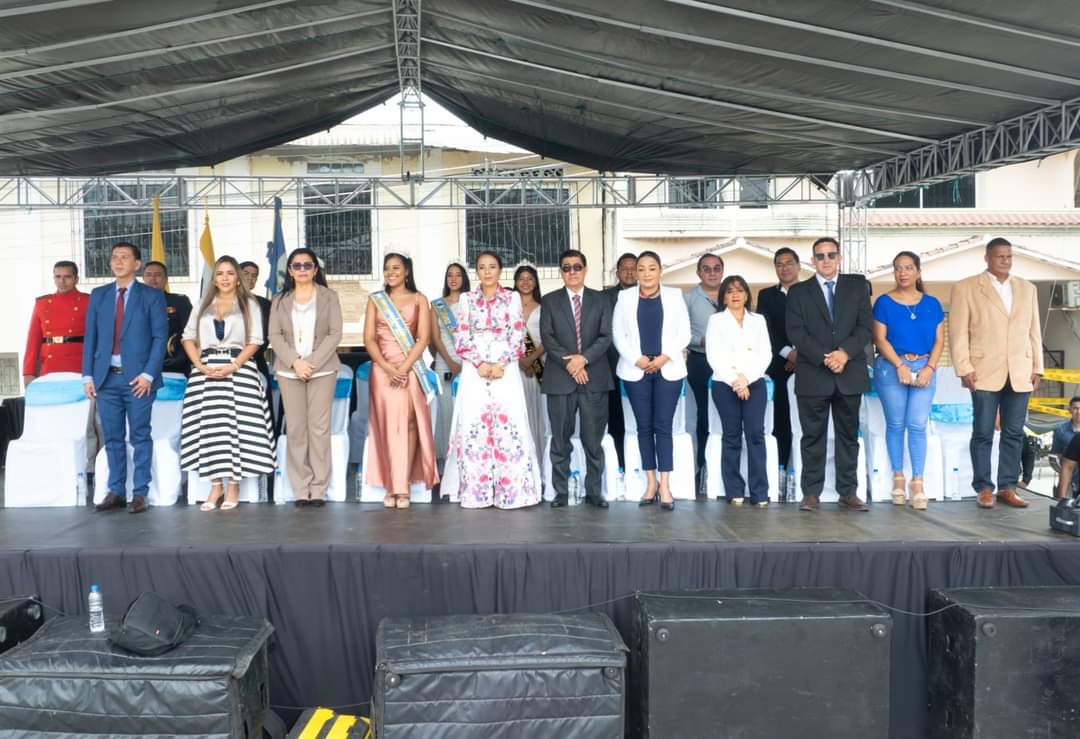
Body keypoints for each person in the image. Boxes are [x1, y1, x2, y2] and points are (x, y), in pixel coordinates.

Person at [950, 237, 1043, 509]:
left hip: (1020, 370)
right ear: (987, 258)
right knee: (983, 432)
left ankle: (1008, 487)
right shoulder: (966, 287)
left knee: (1014, 433)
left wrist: (1038, 367)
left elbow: (1034, 331)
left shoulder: (1027, 289)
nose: (1005, 260)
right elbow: (958, 332)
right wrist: (964, 367)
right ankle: (983, 488)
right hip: (983, 370)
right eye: (1000, 256)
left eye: (1009, 256)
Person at [179, 256, 276, 510]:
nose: (224, 278)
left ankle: (233, 484)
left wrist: (234, 365)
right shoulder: (202, 303)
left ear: (238, 278)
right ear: (214, 279)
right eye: (220, 273)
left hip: (239, 368)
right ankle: (216, 486)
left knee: (238, 428)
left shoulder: (250, 304)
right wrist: (198, 365)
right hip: (206, 369)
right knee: (208, 428)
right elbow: (188, 337)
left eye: (230, 273)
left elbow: (256, 340)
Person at [447, 250, 542, 509]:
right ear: (476, 271)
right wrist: (479, 363)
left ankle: (512, 492)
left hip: (505, 368)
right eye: (482, 267)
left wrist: (501, 363)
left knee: (508, 425)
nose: (487, 271)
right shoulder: (466, 299)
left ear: (500, 270)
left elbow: (518, 335)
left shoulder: (511, 298)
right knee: (474, 424)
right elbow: (461, 337)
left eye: (492, 267)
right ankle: (476, 492)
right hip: (474, 370)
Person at [786, 237, 873, 512]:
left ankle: (848, 492)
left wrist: (844, 353)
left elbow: (865, 327)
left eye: (831, 255)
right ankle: (811, 493)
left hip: (849, 373)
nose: (826, 260)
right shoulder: (798, 292)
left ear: (839, 258)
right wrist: (827, 358)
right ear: (813, 260)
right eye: (820, 256)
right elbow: (796, 332)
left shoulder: (857, 287)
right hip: (814, 374)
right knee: (813, 437)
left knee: (848, 436)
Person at [83, 242, 168, 515]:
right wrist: (87, 375)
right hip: (106, 378)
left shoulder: (151, 296)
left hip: (139, 381)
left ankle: (140, 492)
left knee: (140, 435)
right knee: (112, 437)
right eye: (114, 257)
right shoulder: (99, 295)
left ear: (137, 264)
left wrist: (148, 374)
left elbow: (160, 338)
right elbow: (91, 337)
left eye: (124, 257)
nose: (118, 261)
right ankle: (117, 490)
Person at [613, 251, 691, 510]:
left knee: (663, 427)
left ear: (660, 271)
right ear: (636, 272)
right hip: (636, 370)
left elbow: (684, 333)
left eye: (652, 268)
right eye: (641, 269)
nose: (646, 273)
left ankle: (665, 485)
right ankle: (650, 483)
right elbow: (618, 334)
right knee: (643, 427)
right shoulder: (625, 297)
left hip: (668, 368)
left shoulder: (674, 295)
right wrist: (637, 359)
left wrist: (664, 358)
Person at [268, 248, 343, 507]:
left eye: (307, 265)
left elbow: (335, 333)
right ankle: (301, 488)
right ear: (290, 271)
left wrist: (310, 363)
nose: (302, 269)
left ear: (315, 269)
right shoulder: (279, 300)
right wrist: (295, 362)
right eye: (297, 265)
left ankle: (318, 488)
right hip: (289, 370)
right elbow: (274, 335)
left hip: (322, 369)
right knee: (297, 429)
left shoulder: (329, 296)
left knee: (319, 429)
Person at [364, 253, 439, 509]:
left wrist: (404, 368)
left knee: (409, 426)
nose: (391, 272)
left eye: (396, 268)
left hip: (411, 369)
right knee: (385, 427)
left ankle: (402, 485)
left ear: (407, 271)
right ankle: (390, 485)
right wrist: (387, 368)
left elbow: (423, 338)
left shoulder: (419, 299)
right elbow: (369, 339)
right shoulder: (376, 300)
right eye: (387, 268)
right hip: (382, 370)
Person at [871, 251, 945, 511]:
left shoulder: (932, 303)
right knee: (896, 423)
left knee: (917, 424)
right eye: (898, 268)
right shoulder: (883, 302)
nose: (902, 272)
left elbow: (939, 340)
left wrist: (930, 367)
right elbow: (880, 339)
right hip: (892, 367)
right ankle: (898, 478)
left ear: (918, 272)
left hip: (925, 366)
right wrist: (900, 365)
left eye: (908, 267)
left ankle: (918, 482)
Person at [539, 249, 613, 509]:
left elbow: (606, 335)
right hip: (560, 378)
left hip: (594, 377)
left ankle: (594, 492)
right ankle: (560, 492)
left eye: (577, 267)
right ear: (561, 272)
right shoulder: (549, 301)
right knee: (560, 440)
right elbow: (548, 337)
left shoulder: (601, 299)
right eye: (566, 267)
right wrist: (572, 364)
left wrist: (583, 359)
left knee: (593, 441)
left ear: (585, 269)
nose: (572, 272)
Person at [706, 275, 772, 506]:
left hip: (754, 382)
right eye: (729, 291)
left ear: (746, 295)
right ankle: (734, 490)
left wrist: (746, 379)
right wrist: (736, 380)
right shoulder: (716, 320)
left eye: (739, 290)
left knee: (755, 435)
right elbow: (714, 356)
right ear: (723, 297)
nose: (735, 295)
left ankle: (760, 492)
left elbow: (765, 354)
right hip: (725, 384)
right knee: (732, 435)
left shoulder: (758, 320)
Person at [756, 247, 801, 473]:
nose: (784, 268)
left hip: (811, 364)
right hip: (779, 366)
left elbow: (818, 327)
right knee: (781, 419)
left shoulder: (811, 292)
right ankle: (781, 469)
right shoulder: (766, 295)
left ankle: (802, 470)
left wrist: (800, 354)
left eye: (789, 263)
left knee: (806, 420)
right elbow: (766, 330)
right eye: (779, 264)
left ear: (798, 266)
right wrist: (788, 353)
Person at [683, 253, 723, 494]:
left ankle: (721, 470)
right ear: (699, 272)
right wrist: (700, 340)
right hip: (700, 362)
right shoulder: (688, 298)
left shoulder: (731, 294)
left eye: (716, 268)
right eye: (706, 269)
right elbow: (680, 333)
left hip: (727, 364)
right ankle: (700, 469)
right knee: (701, 418)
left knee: (724, 416)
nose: (712, 272)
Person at [430, 263, 469, 472]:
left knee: (464, 410)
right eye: (450, 275)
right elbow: (435, 337)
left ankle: (465, 459)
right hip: (444, 362)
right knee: (444, 410)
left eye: (458, 275)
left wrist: (463, 362)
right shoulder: (437, 305)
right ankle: (444, 462)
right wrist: (451, 362)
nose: (453, 279)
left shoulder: (471, 302)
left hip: (468, 363)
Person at [24, 261, 90, 385]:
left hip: (78, 368)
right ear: (54, 278)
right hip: (49, 368)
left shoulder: (88, 301)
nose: (62, 281)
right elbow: (33, 340)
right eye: (58, 277)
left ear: (76, 279)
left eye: (67, 277)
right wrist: (28, 372)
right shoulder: (42, 303)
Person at [603, 253, 638, 470]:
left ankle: (640, 466)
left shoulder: (649, 295)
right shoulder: (604, 297)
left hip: (643, 367)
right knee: (616, 417)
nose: (629, 272)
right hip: (611, 366)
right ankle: (620, 466)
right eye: (625, 268)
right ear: (618, 273)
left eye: (634, 268)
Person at [515, 264, 546, 457]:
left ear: (535, 282)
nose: (525, 283)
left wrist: (532, 360)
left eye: (530, 279)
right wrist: (521, 361)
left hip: (539, 366)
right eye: (521, 279)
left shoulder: (544, 307)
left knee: (537, 411)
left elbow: (548, 338)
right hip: (514, 366)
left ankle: (538, 458)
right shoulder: (509, 307)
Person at [142, 261, 193, 376]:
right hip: (142, 367)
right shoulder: (134, 304)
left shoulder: (179, 301)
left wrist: (181, 357)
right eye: (148, 275)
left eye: (158, 275)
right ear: (143, 279)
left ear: (166, 279)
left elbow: (190, 332)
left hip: (173, 367)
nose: (153, 278)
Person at [239, 260, 273, 381]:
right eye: (246, 273)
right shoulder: (223, 301)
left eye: (254, 275)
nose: (250, 278)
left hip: (255, 361)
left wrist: (248, 355)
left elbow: (265, 336)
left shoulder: (264, 304)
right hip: (227, 360)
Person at [1051, 397, 1080, 497]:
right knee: (1066, 504)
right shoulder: (1060, 430)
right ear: (1069, 410)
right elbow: (1056, 454)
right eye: (1075, 408)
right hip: (1069, 479)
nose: (1078, 412)